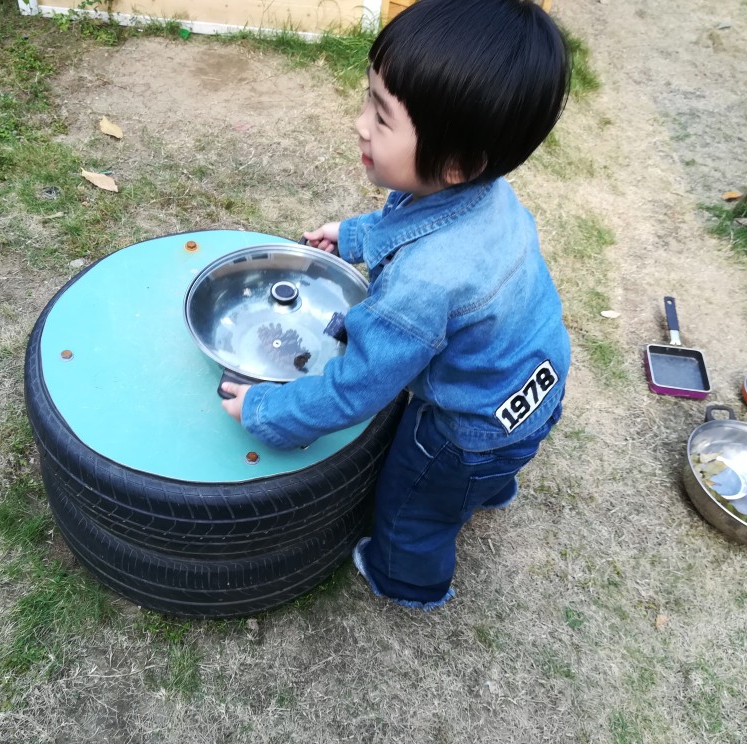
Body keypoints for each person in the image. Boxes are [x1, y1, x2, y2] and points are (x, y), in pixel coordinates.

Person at [220, 0, 571, 610]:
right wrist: (353, 236)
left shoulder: (422, 286)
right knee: (488, 465)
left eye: (381, 118)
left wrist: (267, 411)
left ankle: (404, 579)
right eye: (369, 99)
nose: (360, 125)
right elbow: (413, 223)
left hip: (464, 430)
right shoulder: (490, 195)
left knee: (414, 501)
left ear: (456, 163)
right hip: (535, 386)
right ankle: (490, 488)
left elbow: (356, 390)